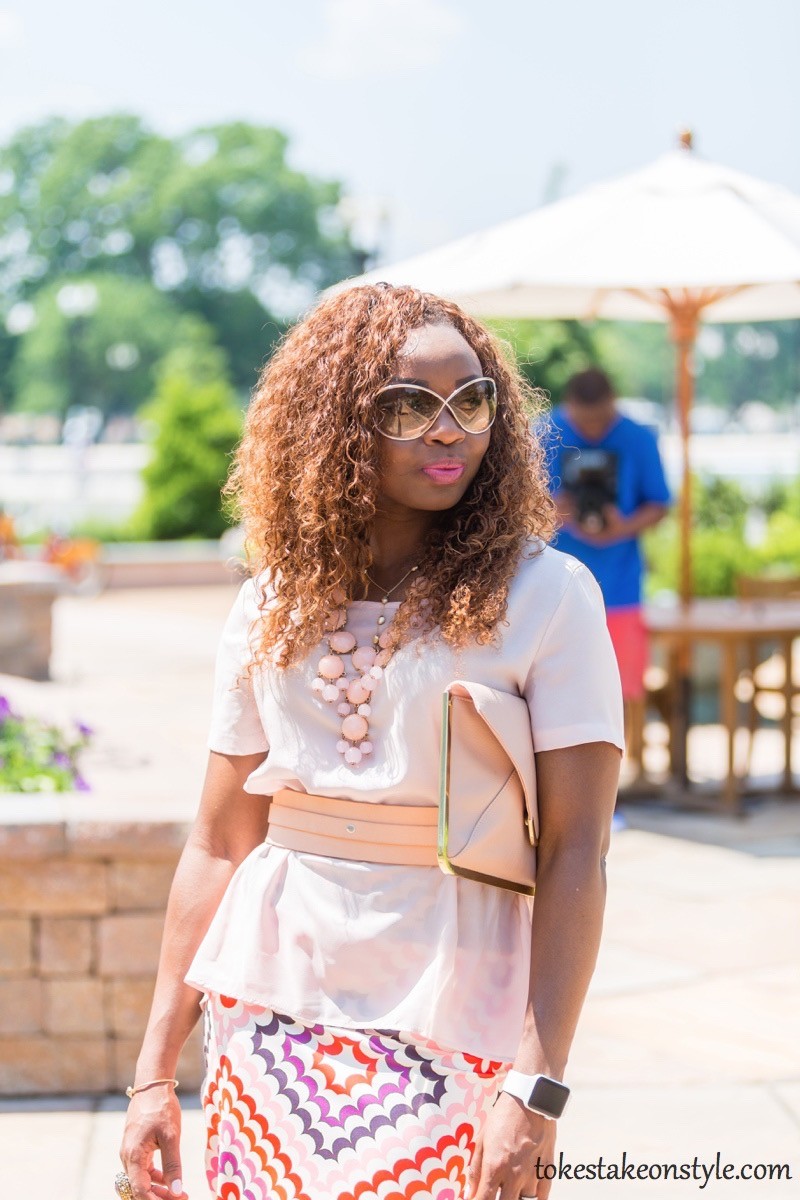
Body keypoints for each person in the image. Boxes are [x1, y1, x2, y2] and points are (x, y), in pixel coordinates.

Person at [118, 285, 624, 1200]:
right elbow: (221, 841)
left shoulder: (549, 599)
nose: (449, 430)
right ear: (338, 424)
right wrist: (154, 1069)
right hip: (269, 1006)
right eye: (410, 406)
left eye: (472, 402)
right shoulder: (270, 603)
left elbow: (580, 854)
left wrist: (537, 1088)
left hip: (457, 1001)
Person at [542, 368, 670, 772]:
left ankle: (633, 773)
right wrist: (551, 510)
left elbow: (660, 502)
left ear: (614, 404)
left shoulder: (638, 436)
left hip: (620, 586)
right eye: (585, 421)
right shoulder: (542, 433)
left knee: (627, 683)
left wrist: (624, 526)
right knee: (557, 687)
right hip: (553, 591)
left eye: (600, 420)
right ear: (569, 408)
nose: (593, 430)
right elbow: (512, 506)